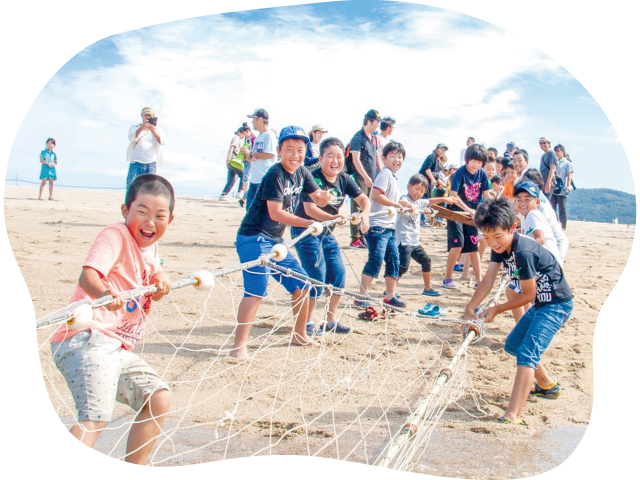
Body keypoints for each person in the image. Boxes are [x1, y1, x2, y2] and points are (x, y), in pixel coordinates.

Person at [49, 174, 175, 463]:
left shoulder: (151, 246)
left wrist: (162, 277)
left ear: (170, 219)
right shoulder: (115, 234)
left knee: (158, 398)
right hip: (85, 338)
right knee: (95, 417)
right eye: (141, 212)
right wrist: (105, 291)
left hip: (116, 348)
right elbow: (88, 275)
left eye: (159, 215)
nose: (149, 222)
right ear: (125, 211)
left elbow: (156, 268)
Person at [464, 197, 573, 424]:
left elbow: (528, 295)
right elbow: (488, 279)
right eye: (487, 237)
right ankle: (547, 385)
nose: (493, 243)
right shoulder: (499, 246)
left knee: (527, 354)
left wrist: (497, 309)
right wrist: (469, 308)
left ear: (513, 227)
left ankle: (512, 415)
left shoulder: (523, 252)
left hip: (556, 305)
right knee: (513, 345)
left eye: (497, 236)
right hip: (542, 304)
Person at [232, 126, 332, 360]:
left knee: (303, 285)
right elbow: (275, 213)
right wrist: (306, 222)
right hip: (253, 238)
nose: (295, 155)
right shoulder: (275, 174)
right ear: (279, 151)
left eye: (300, 150)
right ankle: (238, 347)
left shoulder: (302, 172)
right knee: (256, 292)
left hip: (276, 241)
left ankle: (299, 334)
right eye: (289, 150)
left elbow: (317, 195)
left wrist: (324, 197)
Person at [292, 137, 371, 334]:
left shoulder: (345, 179)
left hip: (326, 233)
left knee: (338, 276)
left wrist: (365, 215)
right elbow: (309, 209)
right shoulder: (312, 177)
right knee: (316, 277)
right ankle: (308, 323)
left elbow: (363, 199)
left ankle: (330, 321)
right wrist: (334, 217)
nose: (335, 161)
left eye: (338, 157)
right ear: (320, 158)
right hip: (307, 231)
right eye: (330, 156)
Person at [355, 141, 407, 309]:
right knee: (376, 259)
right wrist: (395, 205)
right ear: (384, 158)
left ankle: (390, 296)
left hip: (389, 228)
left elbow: (389, 198)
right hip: (377, 227)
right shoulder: (385, 174)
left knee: (394, 260)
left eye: (400, 157)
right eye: (392, 156)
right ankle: (361, 295)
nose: (397, 160)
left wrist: (403, 204)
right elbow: (376, 195)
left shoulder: (393, 176)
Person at [396, 174, 455, 296]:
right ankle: (390, 289)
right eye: (417, 189)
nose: (419, 193)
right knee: (403, 267)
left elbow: (430, 201)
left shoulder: (419, 202)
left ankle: (427, 288)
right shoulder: (405, 198)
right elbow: (399, 201)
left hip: (414, 242)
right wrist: (409, 206)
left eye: (422, 191)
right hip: (404, 241)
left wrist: (445, 199)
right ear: (408, 187)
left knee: (426, 261)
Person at [442, 144, 492, 289]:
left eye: (479, 162)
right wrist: (469, 209)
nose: (476, 165)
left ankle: (479, 280)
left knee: (473, 246)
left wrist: (490, 209)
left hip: (472, 214)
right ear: (467, 160)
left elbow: (486, 194)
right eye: (473, 161)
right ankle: (448, 278)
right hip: (456, 212)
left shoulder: (482, 174)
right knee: (457, 244)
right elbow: (453, 195)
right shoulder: (460, 173)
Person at [346, 109, 383, 249]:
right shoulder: (358, 137)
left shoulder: (373, 137)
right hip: (360, 178)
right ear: (369, 121)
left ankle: (363, 236)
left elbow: (377, 156)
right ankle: (355, 238)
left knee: (369, 207)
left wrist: (382, 171)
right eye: (376, 122)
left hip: (372, 178)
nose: (378, 125)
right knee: (357, 206)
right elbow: (356, 160)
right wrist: (366, 177)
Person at [514, 182, 562, 262]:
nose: (522, 203)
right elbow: (527, 231)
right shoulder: (526, 216)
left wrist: (523, 251)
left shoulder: (533, 214)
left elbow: (540, 239)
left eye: (527, 199)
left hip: (548, 262)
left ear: (537, 202)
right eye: (519, 199)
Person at [244, 108, 278, 210]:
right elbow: (254, 158)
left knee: (259, 212)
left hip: (264, 180)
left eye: (253, 119)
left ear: (259, 119)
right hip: (254, 180)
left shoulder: (269, 135)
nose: (252, 122)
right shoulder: (259, 137)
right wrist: (247, 156)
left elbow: (270, 154)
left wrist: (251, 153)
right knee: (250, 211)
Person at [126, 106, 166, 189]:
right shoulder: (135, 127)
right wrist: (142, 128)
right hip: (135, 162)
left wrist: (153, 131)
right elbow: (131, 138)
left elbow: (162, 141)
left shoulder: (158, 130)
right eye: (146, 115)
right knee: (131, 187)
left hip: (150, 164)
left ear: (153, 117)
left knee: (149, 189)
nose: (148, 117)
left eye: (150, 116)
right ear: (142, 116)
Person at [219, 123, 252, 201]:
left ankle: (223, 195)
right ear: (239, 132)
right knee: (243, 176)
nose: (243, 136)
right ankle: (239, 193)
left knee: (231, 180)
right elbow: (232, 147)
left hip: (232, 162)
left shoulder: (239, 140)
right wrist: (229, 157)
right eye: (242, 134)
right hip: (234, 161)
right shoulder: (236, 137)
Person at [549, 144, 574, 230]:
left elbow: (569, 175)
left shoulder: (567, 163)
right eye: (555, 151)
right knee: (552, 207)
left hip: (562, 188)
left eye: (558, 151)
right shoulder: (554, 162)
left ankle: (563, 225)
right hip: (553, 187)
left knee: (562, 208)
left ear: (562, 152)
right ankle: (555, 223)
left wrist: (568, 185)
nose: (556, 153)